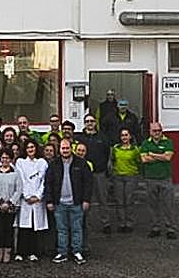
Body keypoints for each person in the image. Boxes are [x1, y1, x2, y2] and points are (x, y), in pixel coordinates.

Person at [46, 138, 90, 266]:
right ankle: (62, 252)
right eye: (62, 148)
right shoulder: (54, 164)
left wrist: (86, 200)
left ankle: (77, 252)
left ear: (71, 148)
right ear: (59, 149)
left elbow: (88, 183)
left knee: (77, 229)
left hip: (76, 203)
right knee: (61, 230)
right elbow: (48, 183)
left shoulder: (81, 164)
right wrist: (49, 200)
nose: (65, 150)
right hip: (59, 203)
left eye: (67, 148)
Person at [75, 114, 112, 234]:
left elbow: (108, 154)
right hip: (84, 175)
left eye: (92, 121)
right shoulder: (80, 138)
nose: (89, 123)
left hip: (99, 173)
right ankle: (85, 224)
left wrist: (107, 169)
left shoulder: (103, 137)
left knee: (103, 200)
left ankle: (106, 223)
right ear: (84, 123)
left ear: (95, 123)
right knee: (85, 200)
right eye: (87, 121)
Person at [140, 122, 176, 239]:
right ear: (150, 132)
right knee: (153, 205)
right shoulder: (145, 143)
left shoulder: (168, 142)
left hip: (165, 178)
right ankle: (155, 228)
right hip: (150, 178)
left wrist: (152, 154)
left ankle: (170, 228)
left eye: (159, 130)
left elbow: (168, 157)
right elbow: (144, 159)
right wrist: (161, 156)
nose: (157, 133)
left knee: (168, 205)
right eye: (154, 131)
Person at [15, 138, 48, 261]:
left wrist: (38, 196)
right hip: (25, 199)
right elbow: (21, 179)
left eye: (32, 147)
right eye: (28, 147)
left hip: (37, 200)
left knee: (35, 226)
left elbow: (44, 181)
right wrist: (27, 196)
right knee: (24, 227)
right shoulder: (20, 162)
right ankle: (20, 252)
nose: (30, 149)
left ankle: (32, 252)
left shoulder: (42, 162)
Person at [0, 150, 22, 264]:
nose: (5, 160)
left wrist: (10, 202)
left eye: (7, 158)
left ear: (11, 159)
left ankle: (7, 251)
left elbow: (19, 189)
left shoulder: (16, 173)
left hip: (10, 206)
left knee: (8, 229)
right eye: (3, 158)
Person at [110, 128, 142, 233]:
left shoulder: (135, 149)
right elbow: (112, 160)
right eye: (122, 135)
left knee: (129, 200)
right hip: (118, 176)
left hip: (131, 176)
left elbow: (139, 161)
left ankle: (129, 223)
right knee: (119, 201)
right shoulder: (115, 148)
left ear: (130, 136)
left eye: (126, 135)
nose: (124, 137)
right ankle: (121, 223)